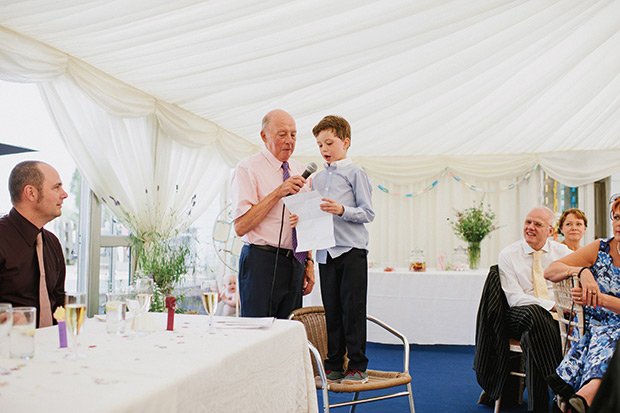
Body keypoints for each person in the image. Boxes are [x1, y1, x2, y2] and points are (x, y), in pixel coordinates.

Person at [307, 115, 375, 384]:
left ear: (345, 142)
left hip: (351, 251)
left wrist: (342, 210)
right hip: (325, 253)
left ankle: (357, 366)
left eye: (329, 142)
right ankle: (334, 364)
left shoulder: (356, 173)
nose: (324, 149)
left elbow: (368, 212)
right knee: (331, 311)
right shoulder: (317, 177)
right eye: (319, 144)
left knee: (353, 310)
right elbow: (314, 213)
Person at [231, 109, 315, 318]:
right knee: (257, 335)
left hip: (295, 263)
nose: (289, 141)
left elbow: (306, 223)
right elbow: (241, 226)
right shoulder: (247, 168)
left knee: (289, 333)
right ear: (264, 136)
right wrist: (278, 192)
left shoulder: (301, 170)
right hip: (261, 261)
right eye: (282, 134)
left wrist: (309, 262)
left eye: (293, 135)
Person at [544, 195, 620, 413]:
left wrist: (600, 299)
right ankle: (587, 397)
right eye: (616, 217)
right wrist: (581, 271)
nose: (619, 224)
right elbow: (550, 271)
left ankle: (585, 396)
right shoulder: (601, 248)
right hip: (595, 327)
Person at [498, 206, 572, 412]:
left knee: (533, 336)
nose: (530, 227)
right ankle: (559, 382)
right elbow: (515, 298)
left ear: (551, 231)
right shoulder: (509, 254)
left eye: (537, 224)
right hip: (518, 315)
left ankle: (538, 407)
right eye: (528, 222)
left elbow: (582, 269)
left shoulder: (562, 252)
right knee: (535, 314)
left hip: (549, 322)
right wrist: (552, 306)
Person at [0, 160, 68, 328]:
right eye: (56, 187)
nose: (64, 194)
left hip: (52, 347)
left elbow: (59, 302)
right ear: (31, 193)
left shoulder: (52, 242)